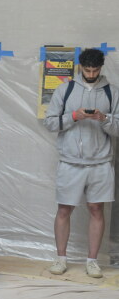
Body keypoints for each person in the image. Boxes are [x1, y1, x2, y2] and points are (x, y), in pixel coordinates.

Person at [44, 48, 119, 278]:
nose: (91, 74)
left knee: (96, 209)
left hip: (101, 163)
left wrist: (104, 118)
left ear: (101, 68)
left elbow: (117, 128)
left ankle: (92, 261)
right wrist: (74, 116)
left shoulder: (112, 92)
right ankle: (61, 259)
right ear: (80, 67)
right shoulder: (64, 89)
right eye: (87, 70)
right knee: (64, 209)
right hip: (70, 162)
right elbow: (50, 123)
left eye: (95, 70)